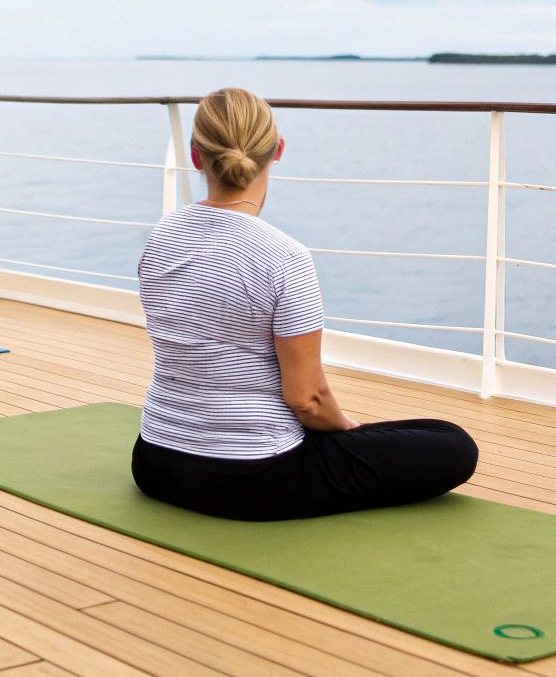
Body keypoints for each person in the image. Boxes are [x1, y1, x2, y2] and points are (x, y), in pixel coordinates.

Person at [132, 87, 478, 521]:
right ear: (276, 151)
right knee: (451, 443)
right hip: (255, 477)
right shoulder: (284, 258)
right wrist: (346, 429)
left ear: (197, 157)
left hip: (156, 462)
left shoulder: (162, 237)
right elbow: (307, 400)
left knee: (407, 436)